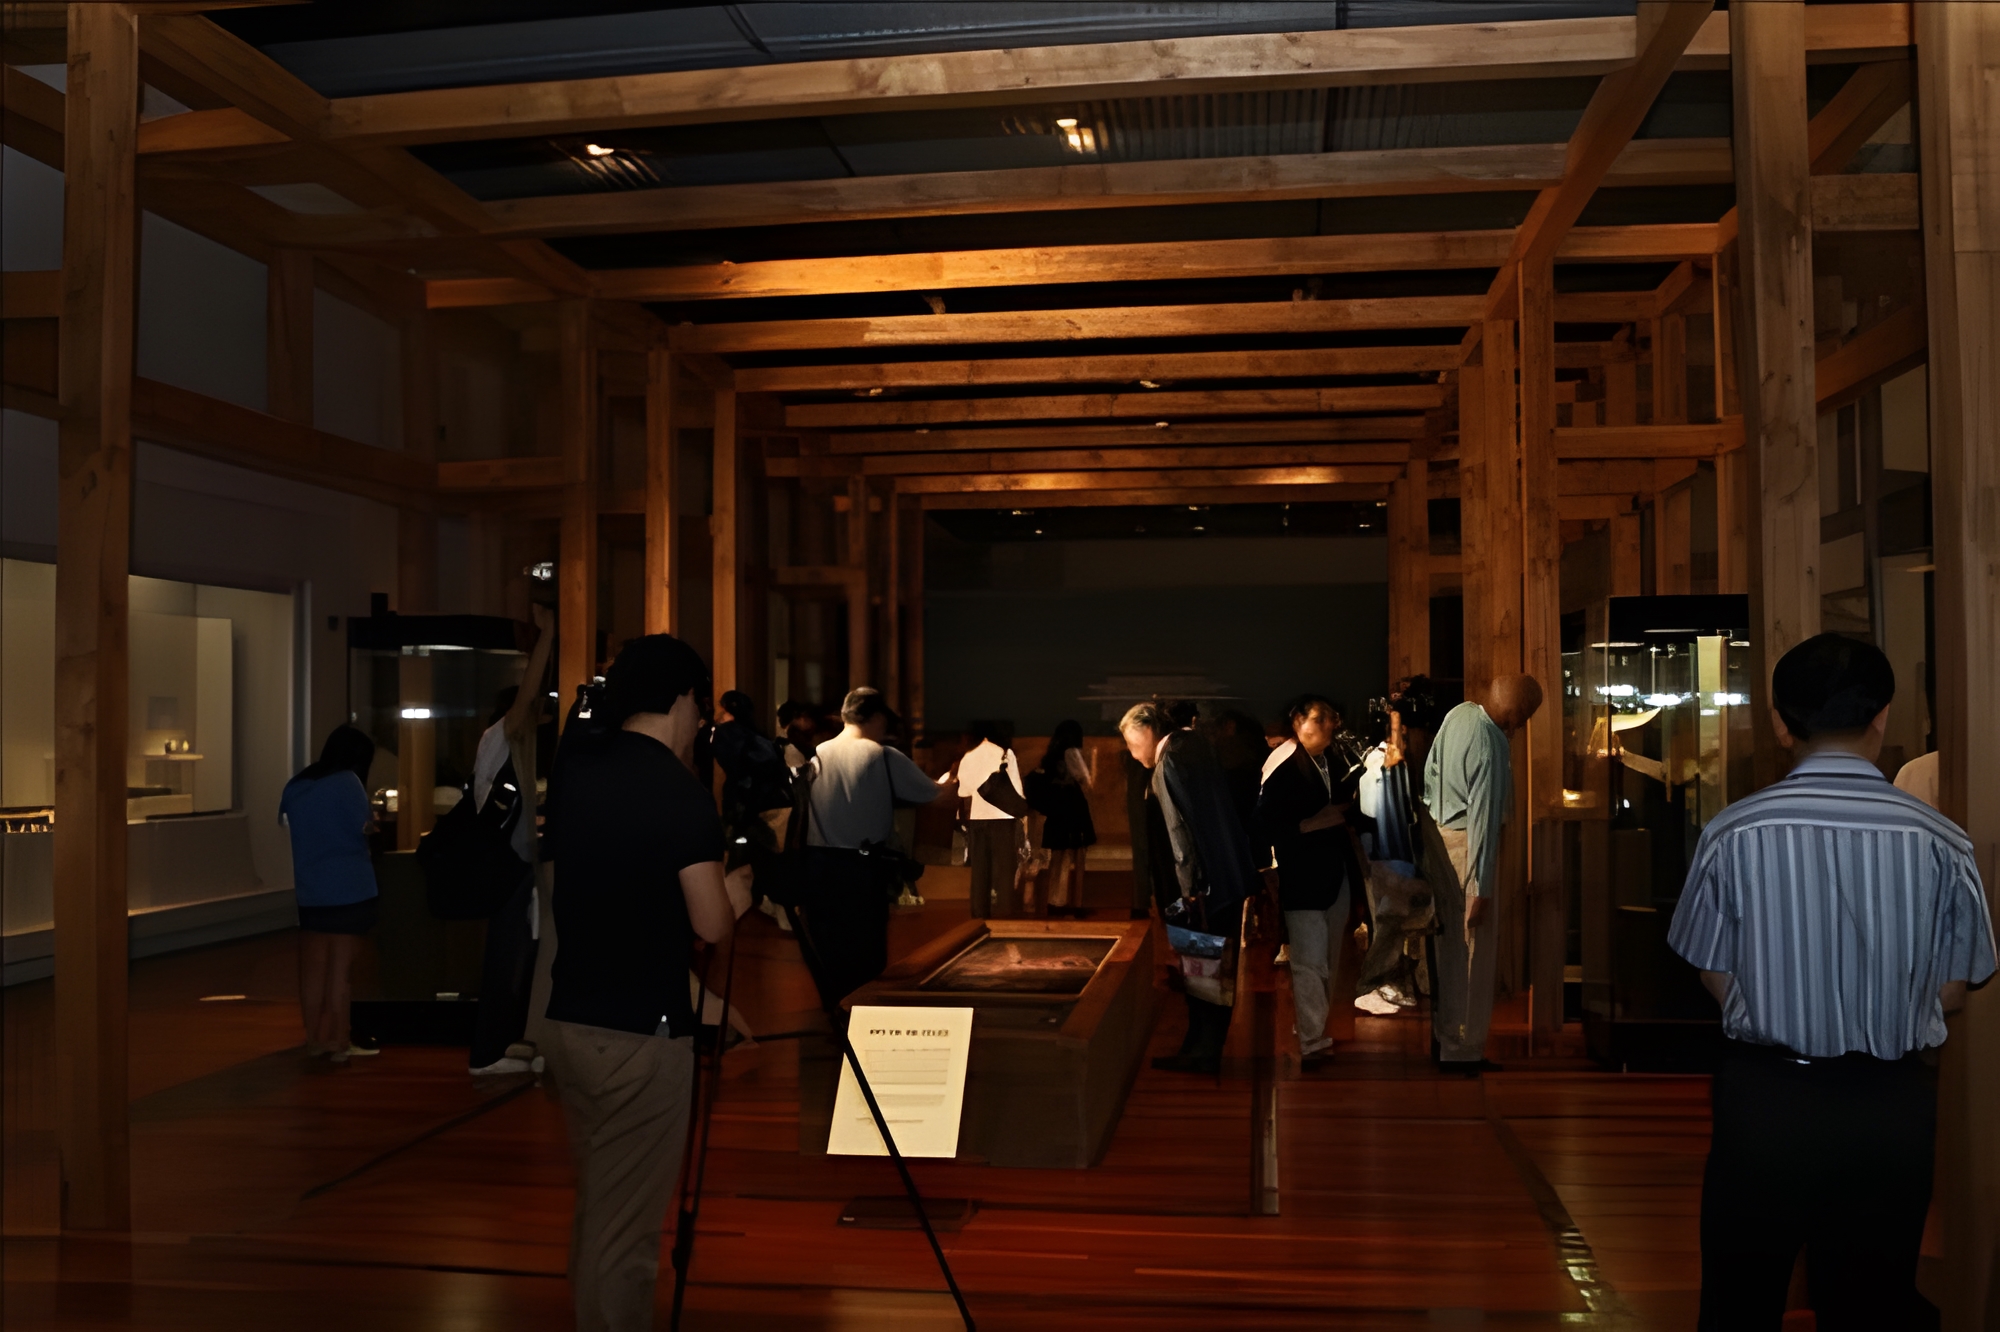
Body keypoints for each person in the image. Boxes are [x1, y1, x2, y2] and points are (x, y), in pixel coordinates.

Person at [1668, 634, 1994, 1330]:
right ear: (1882, 716)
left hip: (1765, 1101)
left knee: (1738, 1304)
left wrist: (1769, 1001)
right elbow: (1956, 990)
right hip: (1889, 1106)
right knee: (1872, 1307)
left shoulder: (1732, 832)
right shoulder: (1943, 841)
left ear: (1781, 724)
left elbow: (1709, 965)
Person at [542, 633, 739, 1332]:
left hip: (571, 1022)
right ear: (683, 698)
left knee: (601, 1203)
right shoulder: (678, 792)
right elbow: (711, 925)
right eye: (700, 705)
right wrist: (741, 889)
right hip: (643, 1038)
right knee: (626, 1232)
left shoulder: (578, 770)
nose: (700, 721)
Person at [1122, 701, 1261, 1075]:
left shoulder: (1169, 761)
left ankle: (1202, 1052)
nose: (1133, 754)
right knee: (1215, 971)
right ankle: (1203, 1047)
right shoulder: (1195, 745)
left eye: (1132, 744)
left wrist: (1188, 893)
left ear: (1148, 731)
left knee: (1201, 971)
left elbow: (1179, 833)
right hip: (1224, 879)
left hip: (1199, 888)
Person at [799, 687, 955, 1010]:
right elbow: (938, 796)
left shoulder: (818, 755)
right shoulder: (881, 756)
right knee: (864, 956)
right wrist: (951, 780)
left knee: (830, 954)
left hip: (817, 866)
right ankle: (861, 1022)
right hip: (861, 868)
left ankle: (836, 1017)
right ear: (876, 717)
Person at [1420, 673, 1543, 1075]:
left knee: (1448, 951)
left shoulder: (1459, 715)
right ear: (1516, 712)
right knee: (1471, 952)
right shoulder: (1491, 741)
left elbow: (1429, 778)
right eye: (1525, 716)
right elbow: (1483, 822)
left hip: (1440, 840)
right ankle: (1462, 1048)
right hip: (1467, 849)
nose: (1521, 726)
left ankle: (1445, 1039)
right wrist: (1481, 887)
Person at [466, 604, 555, 1076]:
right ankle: (489, 1054)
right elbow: (528, 696)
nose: (541, 717)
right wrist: (548, 636)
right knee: (506, 958)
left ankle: (513, 1045)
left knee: (520, 955)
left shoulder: (506, 748)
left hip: (514, 864)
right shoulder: (500, 737)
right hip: (505, 867)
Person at [1258, 696, 1362, 1068]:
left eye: (1331, 718)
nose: (1329, 725)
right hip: (1302, 875)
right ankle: (1312, 1039)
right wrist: (1313, 823)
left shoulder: (1332, 760)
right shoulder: (1284, 765)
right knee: (1309, 961)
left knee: (1328, 959)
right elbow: (1266, 823)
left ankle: (1314, 1030)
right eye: (1320, 719)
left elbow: (1348, 809)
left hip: (1334, 873)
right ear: (1298, 722)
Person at [280, 724, 383, 1063]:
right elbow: (364, 827)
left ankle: (314, 1040)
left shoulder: (296, 785)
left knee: (313, 970)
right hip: (350, 889)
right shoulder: (348, 782)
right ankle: (339, 1041)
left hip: (310, 891)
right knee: (341, 971)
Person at [955, 720, 1027, 920]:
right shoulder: (1004, 753)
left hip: (978, 819)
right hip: (1003, 819)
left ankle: (979, 914)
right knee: (1004, 870)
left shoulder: (969, 756)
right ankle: (1004, 913)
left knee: (979, 870)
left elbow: (963, 790)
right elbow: (1016, 787)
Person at [1028, 720, 1096, 918]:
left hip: (1057, 810)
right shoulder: (1072, 753)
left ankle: (1055, 901)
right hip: (1073, 808)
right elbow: (1086, 779)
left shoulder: (1051, 755)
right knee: (1076, 857)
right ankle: (1076, 904)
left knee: (1058, 857)